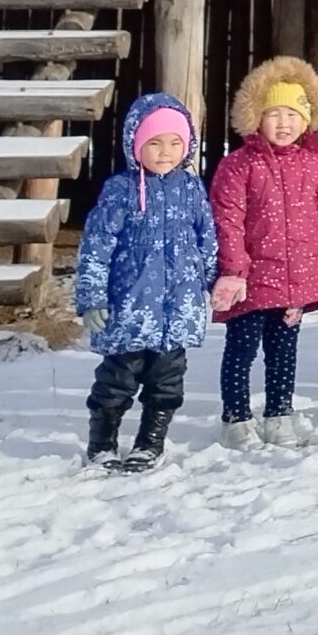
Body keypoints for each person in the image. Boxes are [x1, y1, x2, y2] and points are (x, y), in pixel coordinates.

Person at [75, 91, 218, 471]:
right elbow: (95, 248)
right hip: (129, 311)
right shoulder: (119, 191)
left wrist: (211, 282)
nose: (165, 152)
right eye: (154, 143)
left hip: (177, 313)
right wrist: (91, 298)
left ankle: (150, 442)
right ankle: (102, 443)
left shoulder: (190, 189)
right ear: (135, 144)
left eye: (175, 143)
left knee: (167, 383)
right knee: (116, 381)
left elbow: (207, 240)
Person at [207, 57, 318, 447]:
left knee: (283, 353)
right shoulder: (238, 166)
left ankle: (279, 414)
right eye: (274, 114)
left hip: (295, 282)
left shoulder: (314, 166)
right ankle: (236, 418)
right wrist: (233, 271)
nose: (284, 123)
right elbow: (227, 221)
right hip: (250, 284)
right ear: (256, 117)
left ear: (307, 120)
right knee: (242, 351)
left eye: (293, 114)